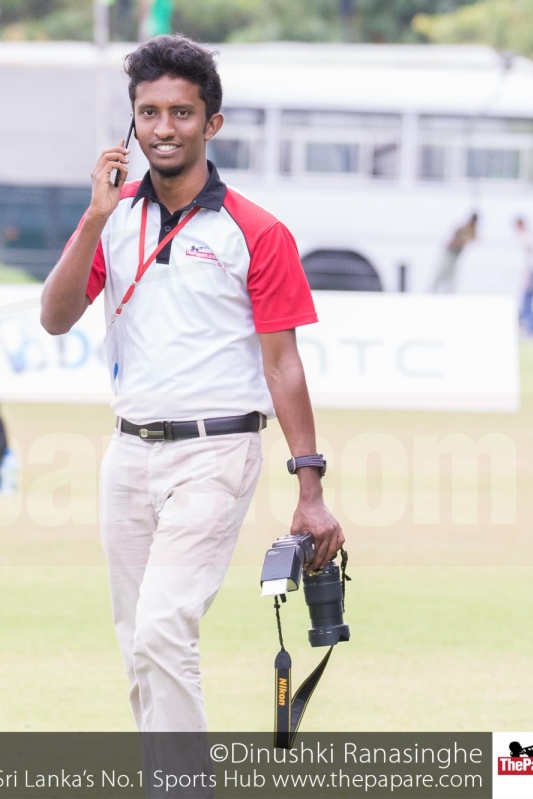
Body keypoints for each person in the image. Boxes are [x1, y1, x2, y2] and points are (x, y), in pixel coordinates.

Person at [40, 35, 344, 739]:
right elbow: (55, 317)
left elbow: (284, 366)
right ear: (131, 123)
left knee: (161, 629)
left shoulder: (257, 231)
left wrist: (310, 488)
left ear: (212, 124)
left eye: (181, 113)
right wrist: (95, 215)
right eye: (148, 113)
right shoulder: (111, 218)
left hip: (217, 453)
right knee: (138, 646)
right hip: (128, 453)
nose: (163, 128)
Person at [431, 212, 478, 293]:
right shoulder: (463, 228)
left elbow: (474, 239)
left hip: (457, 254)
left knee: (452, 273)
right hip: (450, 252)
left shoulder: (472, 230)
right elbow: (455, 238)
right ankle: (433, 291)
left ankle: (448, 292)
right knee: (442, 270)